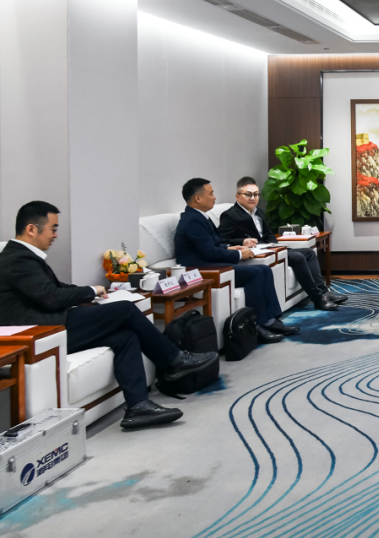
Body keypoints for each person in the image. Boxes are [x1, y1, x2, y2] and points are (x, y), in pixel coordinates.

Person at [0, 202, 217, 429]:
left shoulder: (23, 256)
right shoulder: (17, 259)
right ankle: (174, 361)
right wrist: (90, 292)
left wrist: (91, 292)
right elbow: (51, 297)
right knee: (125, 309)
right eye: (53, 229)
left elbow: (55, 288)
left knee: (125, 337)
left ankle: (138, 406)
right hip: (44, 333)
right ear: (31, 229)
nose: (55, 235)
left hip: (53, 326)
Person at [173, 178, 299, 344]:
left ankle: (271, 320)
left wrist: (230, 247)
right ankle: (257, 326)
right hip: (200, 269)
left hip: (210, 263)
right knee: (255, 273)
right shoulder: (192, 220)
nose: (214, 197)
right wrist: (238, 255)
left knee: (264, 269)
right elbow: (209, 252)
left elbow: (212, 245)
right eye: (211, 193)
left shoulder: (200, 216)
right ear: (198, 198)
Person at [217, 177, 347, 312]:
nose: (253, 198)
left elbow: (268, 234)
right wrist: (242, 242)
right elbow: (221, 239)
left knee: (308, 252)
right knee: (297, 257)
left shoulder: (258, 212)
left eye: (256, 194)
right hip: (256, 254)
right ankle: (318, 299)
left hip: (270, 249)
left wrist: (276, 247)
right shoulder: (230, 215)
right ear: (237, 196)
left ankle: (324, 292)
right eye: (248, 194)